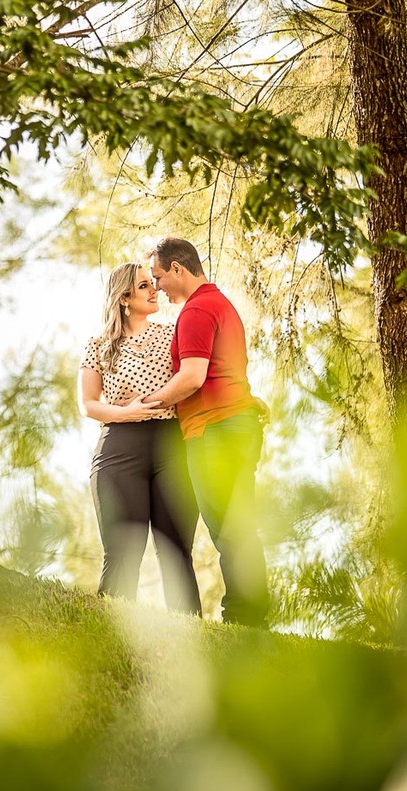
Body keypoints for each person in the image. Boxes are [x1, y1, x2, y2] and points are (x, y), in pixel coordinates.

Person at [142, 236, 269, 627]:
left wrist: (146, 403)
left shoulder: (196, 311)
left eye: (158, 277)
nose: (157, 287)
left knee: (227, 527)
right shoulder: (221, 304)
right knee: (238, 523)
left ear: (178, 268)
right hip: (236, 424)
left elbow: (193, 377)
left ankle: (245, 617)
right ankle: (254, 615)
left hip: (214, 431)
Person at [78, 261, 202, 613]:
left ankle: (193, 642)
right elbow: (88, 404)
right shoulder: (99, 345)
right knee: (122, 551)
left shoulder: (173, 333)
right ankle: (109, 634)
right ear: (124, 298)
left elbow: (197, 376)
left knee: (177, 550)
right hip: (119, 450)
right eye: (145, 286)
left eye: (153, 283)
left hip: (171, 446)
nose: (155, 290)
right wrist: (124, 413)